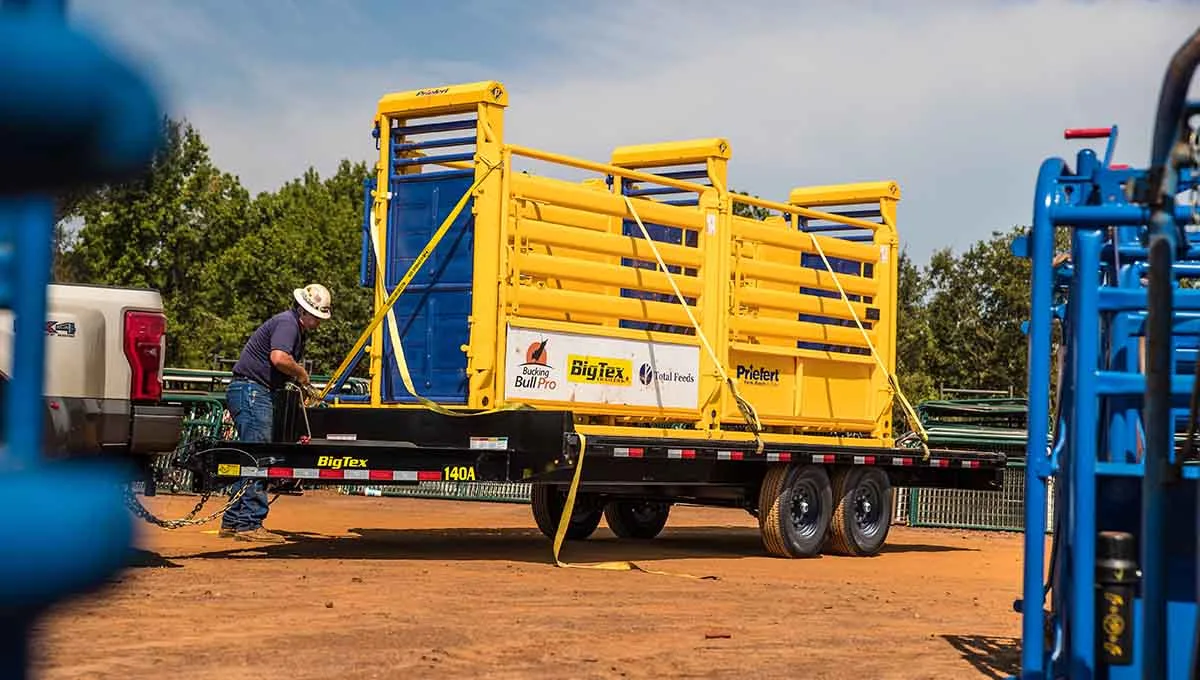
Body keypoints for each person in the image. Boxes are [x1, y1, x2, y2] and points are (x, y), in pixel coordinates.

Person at [219, 283, 332, 542]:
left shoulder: (289, 323)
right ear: (306, 312)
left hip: (249, 391)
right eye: (318, 317)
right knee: (258, 457)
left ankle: (234, 520)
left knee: (249, 456)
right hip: (253, 392)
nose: (319, 323)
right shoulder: (288, 325)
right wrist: (302, 374)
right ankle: (249, 523)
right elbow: (279, 358)